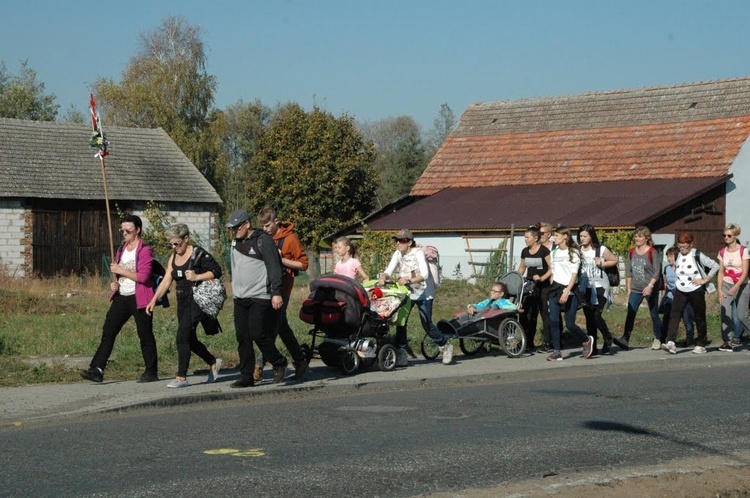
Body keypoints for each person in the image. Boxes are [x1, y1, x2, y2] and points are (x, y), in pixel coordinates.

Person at [80, 215, 159, 383]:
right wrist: (114, 284)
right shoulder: (121, 250)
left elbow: (144, 277)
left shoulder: (145, 250)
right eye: (122, 231)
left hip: (140, 298)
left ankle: (151, 371)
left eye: (128, 230)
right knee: (109, 330)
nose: (124, 234)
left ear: (137, 230)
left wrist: (121, 271)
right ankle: (97, 369)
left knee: (144, 334)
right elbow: (117, 274)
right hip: (122, 297)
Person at [146, 224, 222, 388]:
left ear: (186, 239)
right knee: (190, 338)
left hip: (196, 299)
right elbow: (167, 281)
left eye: (176, 243)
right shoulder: (173, 257)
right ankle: (213, 361)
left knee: (182, 336)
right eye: (171, 244)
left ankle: (181, 377)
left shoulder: (199, 254)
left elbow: (217, 271)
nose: (174, 247)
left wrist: (197, 275)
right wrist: (154, 299)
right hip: (182, 300)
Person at [226, 209, 288, 388]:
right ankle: (246, 377)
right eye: (232, 228)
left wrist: (276, 292)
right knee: (242, 337)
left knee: (257, 333)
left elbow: (274, 267)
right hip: (241, 296)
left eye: (237, 227)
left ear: (246, 224)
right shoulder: (235, 242)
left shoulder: (263, 240)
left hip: (260, 295)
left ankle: (279, 362)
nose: (234, 231)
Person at [378, 229, 452, 365]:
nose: (398, 243)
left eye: (402, 241)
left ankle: (445, 344)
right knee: (401, 321)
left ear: (410, 242)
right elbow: (389, 270)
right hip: (407, 292)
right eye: (397, 240)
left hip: (424, 292)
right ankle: (402, 351)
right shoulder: (397, 254)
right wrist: (383, 277)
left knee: (426, 323)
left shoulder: (417, 253)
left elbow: (424, 274)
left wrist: (409, 280)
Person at [253, 206, 309, 382]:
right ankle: (300, 361)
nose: (265, 229)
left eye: (268, 225)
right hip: (265, 288)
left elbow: (303, 264)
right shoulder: (263, 238)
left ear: (276, 221)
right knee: (281, 327)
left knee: (270, 327)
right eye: (262, 226)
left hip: (282, 288)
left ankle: (260, 365)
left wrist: (281, 259)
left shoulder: (289, 239)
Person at [662, 232, 719, 354]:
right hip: (680, 289)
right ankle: (671, 342)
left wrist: (704, 280)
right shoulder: (677, 255)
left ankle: (701, 343)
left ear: (691, 244)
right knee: (674, 314)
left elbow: (715, 266)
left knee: (699, 316)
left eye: (685, 247)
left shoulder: (697, 254)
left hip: (696, 289)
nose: (682, 249)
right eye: (680, 246)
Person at [546, 226, 594, 361]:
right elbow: (553, 273)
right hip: (555, 289)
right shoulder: (553, 252)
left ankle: (586, 340)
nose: (554, 238)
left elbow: (574, 276)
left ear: (565, 236)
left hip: (570, 290)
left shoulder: (573, 252)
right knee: (554, 321)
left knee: (570, 324)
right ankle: (557, 351)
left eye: (556, 235)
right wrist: (551, 291)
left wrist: (567, 292)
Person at [614, 226, 662, 351]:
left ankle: (658, 338)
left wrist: (650, 286)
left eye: (639, 236)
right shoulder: (631, 252)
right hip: (635, 288)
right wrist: (629, 289)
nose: (637, 238)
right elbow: (629, 272)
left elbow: (657, 271)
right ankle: (625, 338)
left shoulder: (652, 252)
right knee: (631, 312)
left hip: (650, 287)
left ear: (646, 238)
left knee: (653, 313)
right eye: (636, 236)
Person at [577, 224, 617, 355]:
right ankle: (592, 346)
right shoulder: (578, 250)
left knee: (596, 315)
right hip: (585, 286)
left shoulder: (600, 249)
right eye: (580, 236)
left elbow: (614, 260)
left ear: (591, 236)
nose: (582, 238)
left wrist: (602, 263)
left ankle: (607, 338)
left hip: (600, 285)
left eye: (585, 236)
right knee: (589, 317)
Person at [517, 226, 552, 351]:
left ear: (535, 238)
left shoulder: (544, 251)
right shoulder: (525, 251)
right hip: (529, 285)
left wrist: (542, 278)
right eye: (525, 237)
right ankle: (527, 341)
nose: (525, 240)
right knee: (526, 314)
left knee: (544, 314)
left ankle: (547, 342)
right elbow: (522, 268)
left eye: (527, 237)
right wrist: (515, 279)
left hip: (543, 286)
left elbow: (551, 268)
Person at [717, 224, 749, 351]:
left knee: (741, 316)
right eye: (724, 235)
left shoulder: (743, 250)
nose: (726, 237)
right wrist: (720, 290)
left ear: (735, 236)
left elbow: (745, 272)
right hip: (727, 282)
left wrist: (736, 287)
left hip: (743, 284)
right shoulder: (722, 252)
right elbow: (721, 272)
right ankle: (727, 341)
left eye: (729, 235)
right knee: (725, 312)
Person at [659, 246, 696, 346]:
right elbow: (666, 284)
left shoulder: (682, 267)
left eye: (671, 256)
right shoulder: (666, 269)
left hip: (683, 296)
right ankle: (663, 339)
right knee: (667, 318)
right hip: (670, 297)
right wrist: (663, 297)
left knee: (686, 318)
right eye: (668, 256)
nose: (669, 259)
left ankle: (690, 339)